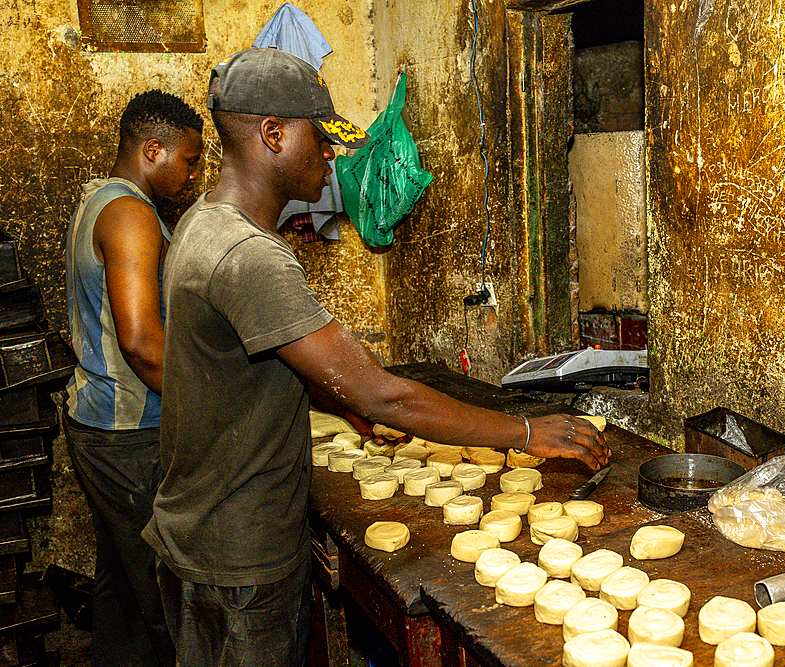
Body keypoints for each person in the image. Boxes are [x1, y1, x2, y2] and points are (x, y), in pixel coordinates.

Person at [141, 47, 609, 667]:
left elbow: (255, 359)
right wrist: (525, 431)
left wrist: (335, 397)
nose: (334, 155)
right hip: (238, 557)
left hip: (200, 530)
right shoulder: (249, 255)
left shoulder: (203, 224)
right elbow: (382, 392)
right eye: (323, 138)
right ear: (274, 134)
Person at [63, 89, 203, 667]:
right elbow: (144, 345)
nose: (193, 175)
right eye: (190, 161)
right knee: (163, 596)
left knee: (119, 585)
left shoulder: (98, 199)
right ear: (153, 150)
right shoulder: (130, 215)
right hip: (128, 433)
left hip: (97, 422)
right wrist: (207, 408)